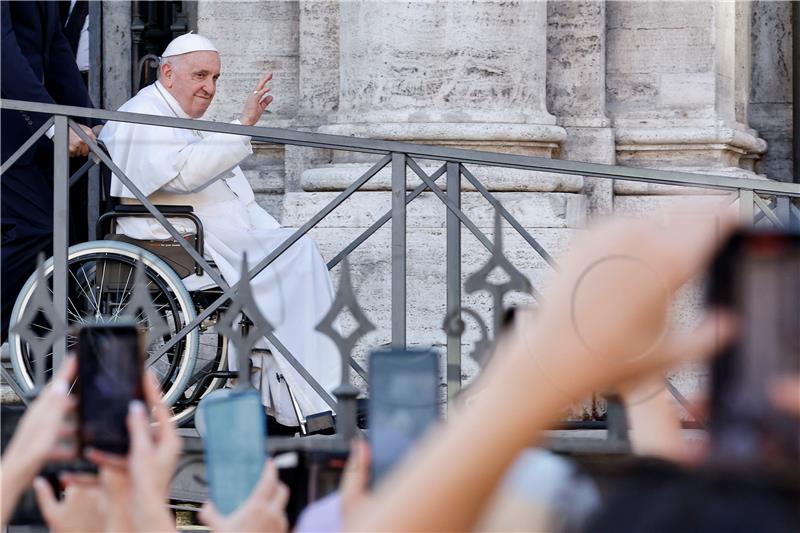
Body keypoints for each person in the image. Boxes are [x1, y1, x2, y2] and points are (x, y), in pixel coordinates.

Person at [98, 33, 341, 430]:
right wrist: (243, 125)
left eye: (215, 77)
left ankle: (306, 399)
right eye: (200, 75)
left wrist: (270, 227)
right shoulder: (141, 114)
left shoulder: (175, 114)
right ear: (168, 72)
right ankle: (310, 399)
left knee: (295, 252)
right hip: (175, 240)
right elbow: (184, 173)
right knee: (295, 258)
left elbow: (214, 170)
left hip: (206, 235)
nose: (208, 88)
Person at [0, 0, 96, 341]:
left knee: (59, 239)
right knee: (37, 229)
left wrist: (88, 122)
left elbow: (56, 50)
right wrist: (52, 125)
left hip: (28, 131)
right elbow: (4, 53)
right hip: (10, 130)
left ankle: (45, 364)